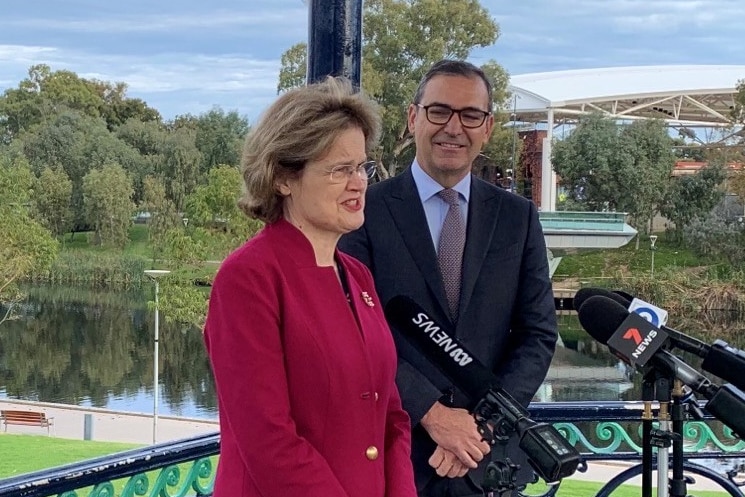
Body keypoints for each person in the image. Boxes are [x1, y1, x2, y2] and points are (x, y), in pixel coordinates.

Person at [339, 59, 558, 496]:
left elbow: (536, 334)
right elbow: (353, 334)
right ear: (413, 117)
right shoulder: (363, 212)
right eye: (439, 111)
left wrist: (481, 428)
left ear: (488, 127)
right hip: (392, 455)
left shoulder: (518, 218)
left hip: (487, 465)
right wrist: (434, 415)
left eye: (470, 115)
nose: (453, 128)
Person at [203, 77, 417, 497]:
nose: (359, 183)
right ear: (284, 177)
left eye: (362, 167)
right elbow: (268, 440)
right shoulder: (248, 278)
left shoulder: (357, 276)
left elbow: (391, 416)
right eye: (340, 170)